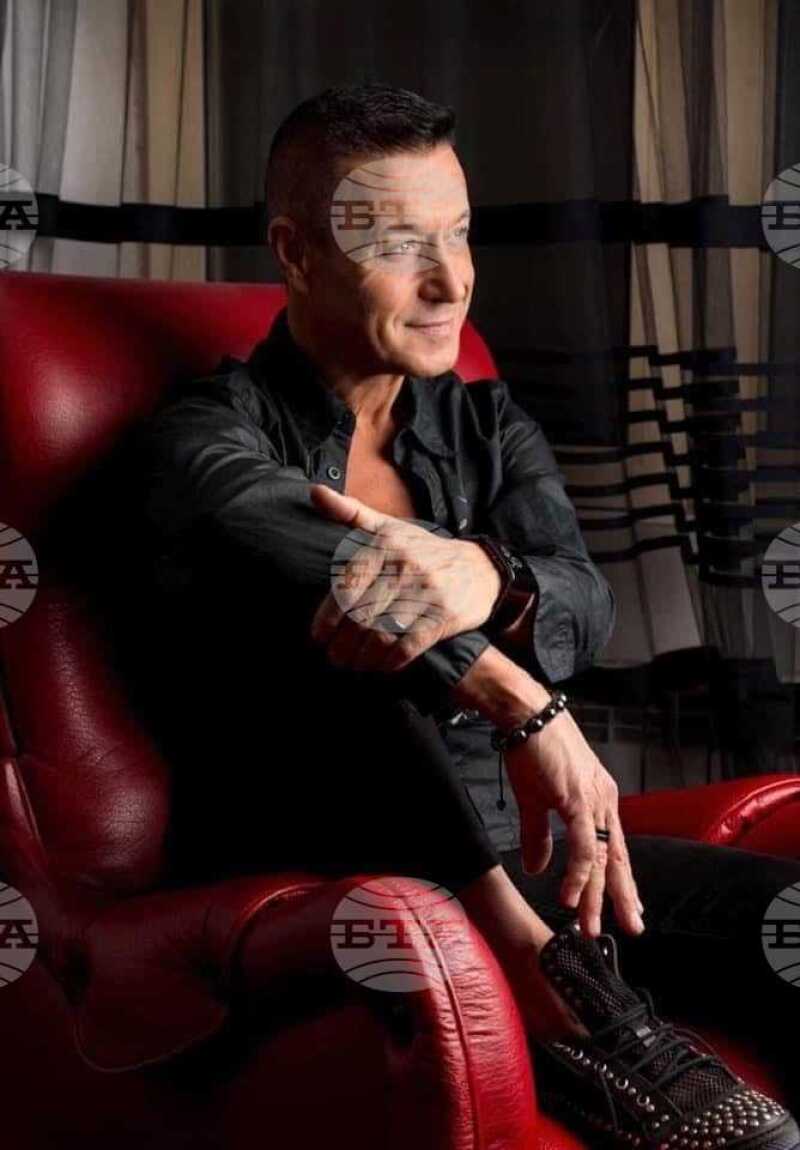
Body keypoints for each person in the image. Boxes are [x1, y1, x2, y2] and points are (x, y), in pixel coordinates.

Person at [135, 83, 800, 1147]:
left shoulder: (485, 424)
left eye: (458, 234)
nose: (450, 282)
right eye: (402, 246)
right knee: (341, 636)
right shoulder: (202, 438)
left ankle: (548, 950)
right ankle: (551, 989)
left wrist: (485, 572)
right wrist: (523, 703)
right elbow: (319, 572)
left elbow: (585, 602)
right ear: (297, 253)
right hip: (323, 873)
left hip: (514, 848)